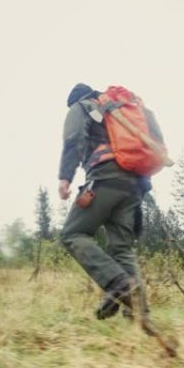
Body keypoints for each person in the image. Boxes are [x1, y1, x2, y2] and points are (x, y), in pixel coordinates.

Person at [58, 83, 166, 320]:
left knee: (72, 234)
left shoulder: (81, 106)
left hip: (105, 177)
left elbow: (74, 139)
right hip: (134, 185)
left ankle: (118, 284)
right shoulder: (120, 110)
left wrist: (65, 177)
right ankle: (139, 314)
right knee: (121, 248)